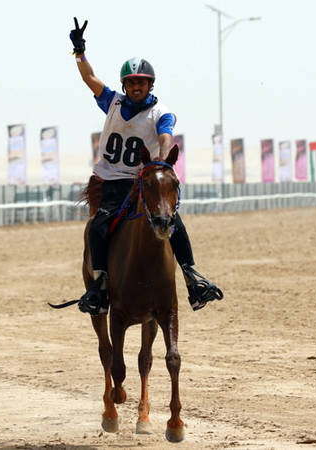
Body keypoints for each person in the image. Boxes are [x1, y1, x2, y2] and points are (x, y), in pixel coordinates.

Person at [69, 17, 224, 316]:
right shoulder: (112, 102)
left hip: (143, 181)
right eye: (131, 82)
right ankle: (99, 285)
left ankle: (192, 278)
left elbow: (166, 137)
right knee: (98, 227)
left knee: (171, 220)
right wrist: (79, 51)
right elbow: (90, 78)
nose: (136, 86)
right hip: (110, 182)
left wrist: (163, 162)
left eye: (141, 82)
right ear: (125, 85)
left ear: (150, 84)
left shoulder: (161, 113)